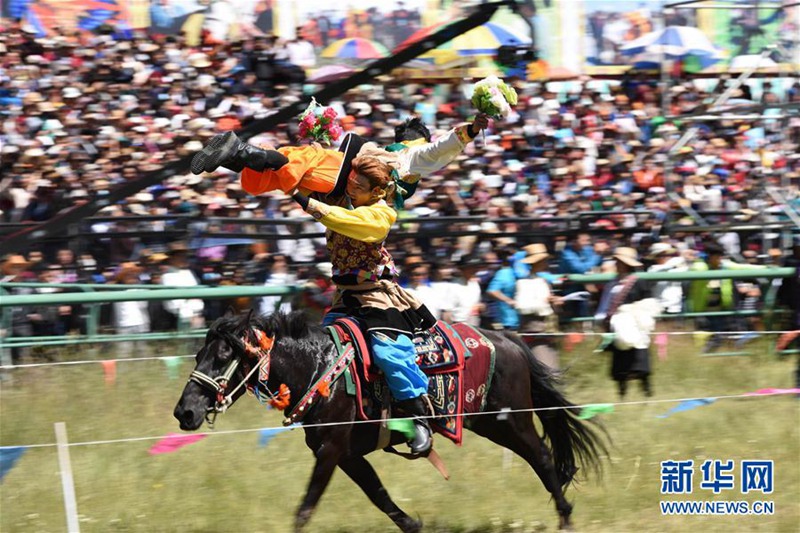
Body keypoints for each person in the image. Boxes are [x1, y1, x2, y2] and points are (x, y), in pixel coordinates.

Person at [595, 247, 655, 398]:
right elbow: (605, 303)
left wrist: (634, 312)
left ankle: (646, 393)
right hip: (617, 327)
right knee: (620, 364)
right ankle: (622, 394)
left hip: (635, 327)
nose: (617, 264)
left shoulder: (639, 282)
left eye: (620, 262)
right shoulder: (612, 284)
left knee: (641, 363)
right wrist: (603, 319)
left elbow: (648, 304)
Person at [515, 244, 562, 370]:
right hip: (534, 333)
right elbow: (522, 306)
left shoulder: (544, 281)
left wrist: (554, 303)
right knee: (546, 369)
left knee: (550, 367)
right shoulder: (523, 283)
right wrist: (544, 303)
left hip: (548, 332)